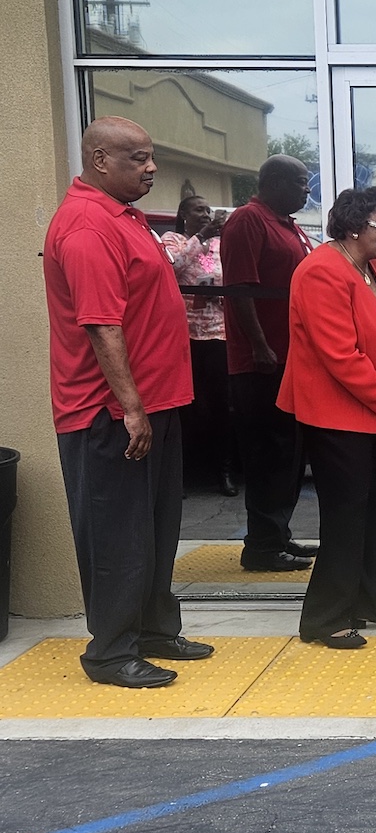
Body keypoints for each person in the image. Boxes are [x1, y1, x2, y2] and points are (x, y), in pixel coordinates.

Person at [43, 116, 213, 688]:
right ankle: (111, 653)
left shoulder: (126, 218)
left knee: (157, 528)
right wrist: (131, 408)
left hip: (152, 404)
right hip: (108, 412)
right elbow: (100, 326)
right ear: (99, 161)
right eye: (138, 158)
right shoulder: (89, 226)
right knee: (117, 533)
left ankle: (156, 630)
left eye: (151, 155)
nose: (152, 168)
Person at [278, 186, 376, 648]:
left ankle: (375, 600)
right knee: (346, 517)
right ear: (350, 226)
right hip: (338, 416)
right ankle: (326, 618)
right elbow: (340, 357)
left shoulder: (369, 267)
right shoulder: (321, 272)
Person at [220, 155, 316, 572]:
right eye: (300, 183)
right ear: (274, 182)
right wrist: (259, 346)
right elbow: (239, 289)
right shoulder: (248, 220)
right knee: (266, 454)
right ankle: (260, 546)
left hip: (292, 360)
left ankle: (279, 535)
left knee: (289, 455)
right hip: (262, 363)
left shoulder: (288, 224)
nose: (306, 191)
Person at [166, 196, 237, 497]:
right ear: (183, 214)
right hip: (186, 335)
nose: (206, 214)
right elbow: (171, 269)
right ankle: (183, 474)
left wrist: (219, 293)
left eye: (208, 211)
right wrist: (201, 237)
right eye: (199, 210)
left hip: (219, 334)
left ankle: (224, 471)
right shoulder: (172, 240)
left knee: (222, 406)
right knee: (187, 408)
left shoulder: (221, 245)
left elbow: (232, 279)